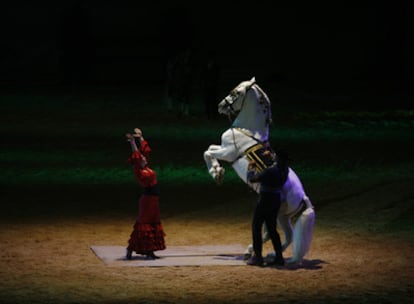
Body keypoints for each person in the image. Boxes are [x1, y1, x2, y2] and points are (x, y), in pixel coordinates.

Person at [125, 128, 166, 260]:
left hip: (153, 200)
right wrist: (132, 142)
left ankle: (150, 251)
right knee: (144, 223)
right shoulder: (139, 171)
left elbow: (145, 152)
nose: (144, 157)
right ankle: (130, 249)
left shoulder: (146, 167)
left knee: (153, 223)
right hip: (147, 200)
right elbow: (137, 155)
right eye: (142, 158)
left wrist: (141, 137)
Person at [245, 148, 289, 267]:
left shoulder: (270, 171)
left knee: (256, 226)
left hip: (265, 200)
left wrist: (251, 168)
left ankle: (258, 257)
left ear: (278, 158)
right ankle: (279, 258)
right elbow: (270, 168)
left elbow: (252, 179)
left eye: (274, 154)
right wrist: (269, 157)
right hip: (276, 200)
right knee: (272, 229)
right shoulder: (285, 169)